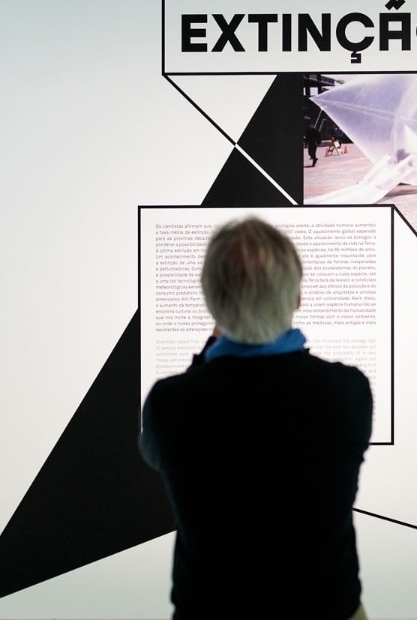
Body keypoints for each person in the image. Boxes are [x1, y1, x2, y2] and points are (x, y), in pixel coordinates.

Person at [140, 217, 373, 620]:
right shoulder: (347, 391)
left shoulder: (170, 404)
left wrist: (211, 347)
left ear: (211, 303)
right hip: (327, 609)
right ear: (296, 297)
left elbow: (153, 453)